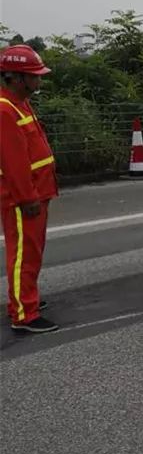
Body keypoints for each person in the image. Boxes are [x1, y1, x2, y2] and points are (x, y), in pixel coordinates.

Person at [0, 45, 59, 333]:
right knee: (23, 252)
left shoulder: (20, 102)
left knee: (33, 251)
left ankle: (26, 299)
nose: (39, 81)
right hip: (24, 197)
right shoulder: (5, 109)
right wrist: (27, 198)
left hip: (38, 191)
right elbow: (14, 163)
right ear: (15, 78)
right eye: (34, 76)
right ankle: (24, 313)